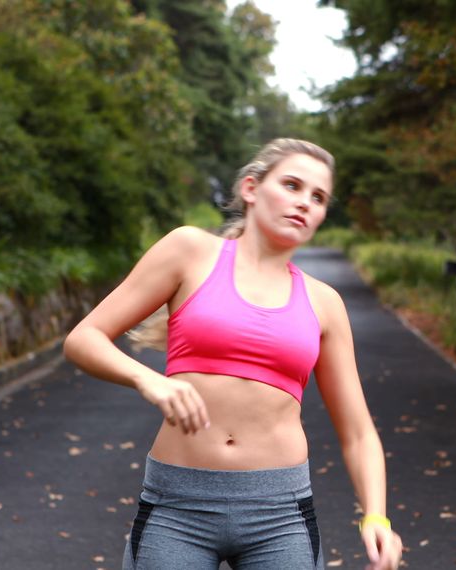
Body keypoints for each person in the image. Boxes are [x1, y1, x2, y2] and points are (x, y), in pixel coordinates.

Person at [63, 138, 403, 570]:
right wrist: (149, 380)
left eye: (318, 198)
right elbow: (83, 338)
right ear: (250, 189)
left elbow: (358, 433)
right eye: (292, 185)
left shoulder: (325, 303)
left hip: (280, 514)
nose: (304, 203)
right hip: (178, 507)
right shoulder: (189, 252)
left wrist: (376, 516)